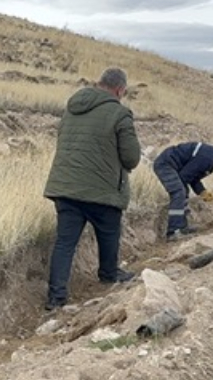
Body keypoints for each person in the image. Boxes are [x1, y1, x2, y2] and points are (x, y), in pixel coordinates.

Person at [42, 67, 142, 311]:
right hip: (102, 190)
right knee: (109, 232)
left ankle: (56, 297)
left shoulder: (71, 108)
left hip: (65, 187)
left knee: (65, 243)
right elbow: (131, 158)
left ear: (99, 83)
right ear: (120, 90)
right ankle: (109, 273)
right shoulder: (120, 113)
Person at [153, 142, 213, 238]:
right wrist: (201, 191)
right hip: (165, 164)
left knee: (183, 191)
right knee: (179, 192)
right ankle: (173, 231)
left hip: (175, 167)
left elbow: (193, 177)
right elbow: (184, 176)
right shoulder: (207, 158)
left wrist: (202, 191)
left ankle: (182, 227)